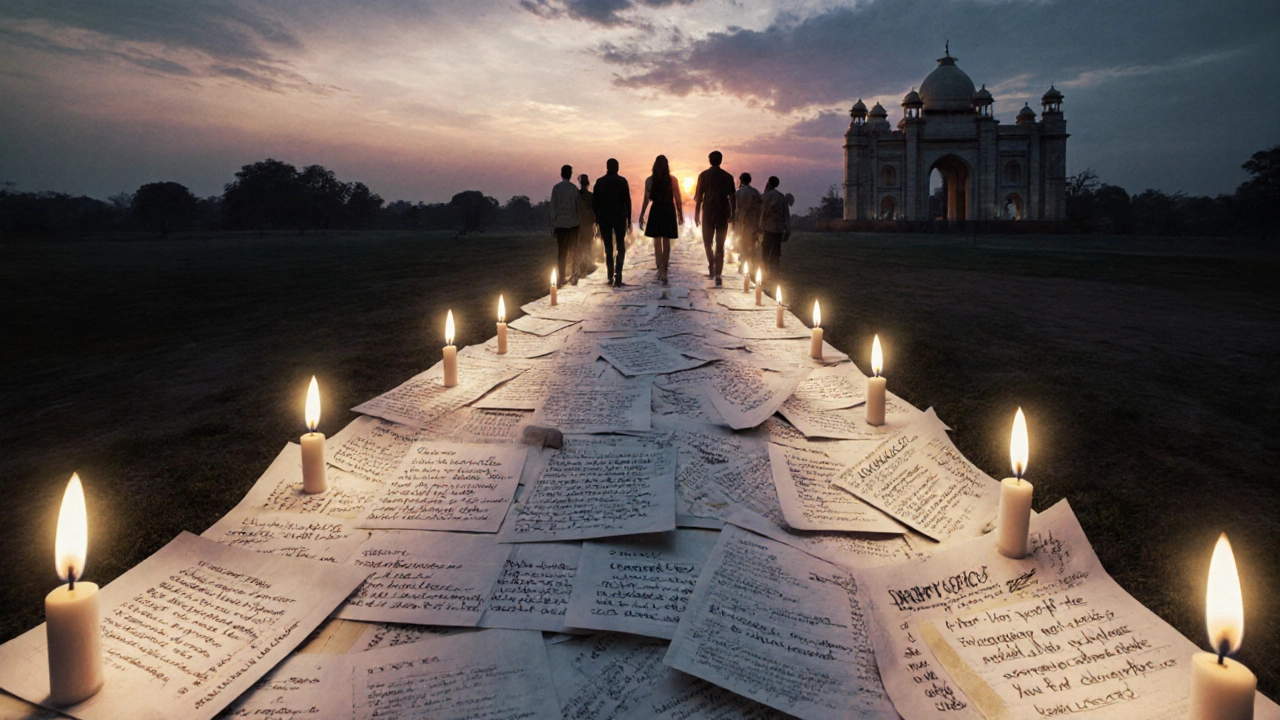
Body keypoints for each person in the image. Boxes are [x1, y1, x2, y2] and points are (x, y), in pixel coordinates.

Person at [693, 150, 736, 286]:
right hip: (723, 212)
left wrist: (696, 214)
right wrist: (733, 213)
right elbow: (732, 197)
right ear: (721, 160)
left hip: (708, 212)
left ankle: (712, 263)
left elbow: (699, 197)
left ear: (709, 160)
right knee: (720, 245)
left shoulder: (704, 176)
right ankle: (718, 273)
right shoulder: (727, 177)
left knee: (707, 242)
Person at [639, 154, 682, 286]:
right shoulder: (672, 179)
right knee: (666, 241)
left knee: (657, 241)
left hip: (656, 209)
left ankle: (659, 267)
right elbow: (677, 198)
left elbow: (646, 199)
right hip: (668, 209)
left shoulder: (649, 180)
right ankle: (664, 268)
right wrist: (680, 213)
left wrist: (641, 215)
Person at [592, 158, 632, 287]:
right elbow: (628, 201)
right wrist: (629, 218)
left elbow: (595, 202)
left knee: (608, 246)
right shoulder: (622, 181)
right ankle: (618, 271)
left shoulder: (600, 182)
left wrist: (597, 218)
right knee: (620, 245)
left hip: (605, 218)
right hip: (619, 217)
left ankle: (610, 272)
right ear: (617, 168)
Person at [549, 164, 580, 285]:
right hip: (573, 223)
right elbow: (577, 207)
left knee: (562, 251)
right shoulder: (573, 189)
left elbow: (553, 208)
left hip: (561, 223)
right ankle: (572, 273)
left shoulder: (556, 188)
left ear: (561, 174)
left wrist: (553, 225)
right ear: (570, 175)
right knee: (573, 250)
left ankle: (561, 276)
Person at [760, 175, 790, 275]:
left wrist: (760, 226)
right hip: (779, 228)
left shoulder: (765, 196)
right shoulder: (781, 197)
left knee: (766, 250)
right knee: (776, 252)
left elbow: (763, 212)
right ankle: (774, 272)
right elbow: (786, 214)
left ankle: (765, 271)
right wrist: (788, 229)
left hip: (768, 227)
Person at [734, 172, 762, 270]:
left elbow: (735, 208)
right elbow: (759, 208)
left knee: (743, 243)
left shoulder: (738, 192)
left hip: (742, 221)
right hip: (753, 221)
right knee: (751, 243)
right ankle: (751, 264)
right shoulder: (755, 192)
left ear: (741, 180)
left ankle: (744, 264)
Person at [576, 174, 595, 280]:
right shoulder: (591, 196)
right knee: (588, 247)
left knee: (579, 248)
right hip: (587, 225)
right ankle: (586, 266)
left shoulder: (576, 196)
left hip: (578, 225)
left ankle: (580, 268)